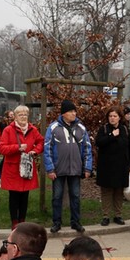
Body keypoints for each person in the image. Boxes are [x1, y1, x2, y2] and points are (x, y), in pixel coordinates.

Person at [44, 99, 93, 234]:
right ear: (64, 113)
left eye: (74, 111)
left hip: (75, 169)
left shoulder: (81, 128)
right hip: (58, 170)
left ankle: (76, 222)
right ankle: (56, 222)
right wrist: (50, 169)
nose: (74, 113)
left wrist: (87, 168)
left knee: (76, 196)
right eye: (71, 111)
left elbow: (87, 148)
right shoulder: (53, 128)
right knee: (57, 196)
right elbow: (47, 148)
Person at [0, 105, 45, 229]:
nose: (23, 117)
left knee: (25, 196)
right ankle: (14, 221)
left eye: (25, 114)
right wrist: (17, 148)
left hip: (26, 167)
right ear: (15, 117)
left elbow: (41, 142)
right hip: (12, 168)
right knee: (14, 196)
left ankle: (22, 220)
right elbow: (1, 148)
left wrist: (35, 151)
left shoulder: (33, 129)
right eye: (20, 115)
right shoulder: (8, 130)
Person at [95, 108, 130, 226]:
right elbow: (99, 142)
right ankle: (105, 216)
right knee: (106, 191)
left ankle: (118, 215)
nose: (112, 118)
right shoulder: (104, 129)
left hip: (121, 166)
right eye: (110, 116)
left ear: (119, 118)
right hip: (106, 166)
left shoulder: (125, 130)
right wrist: (112, 135)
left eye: (115, 116)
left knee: (118, 191)